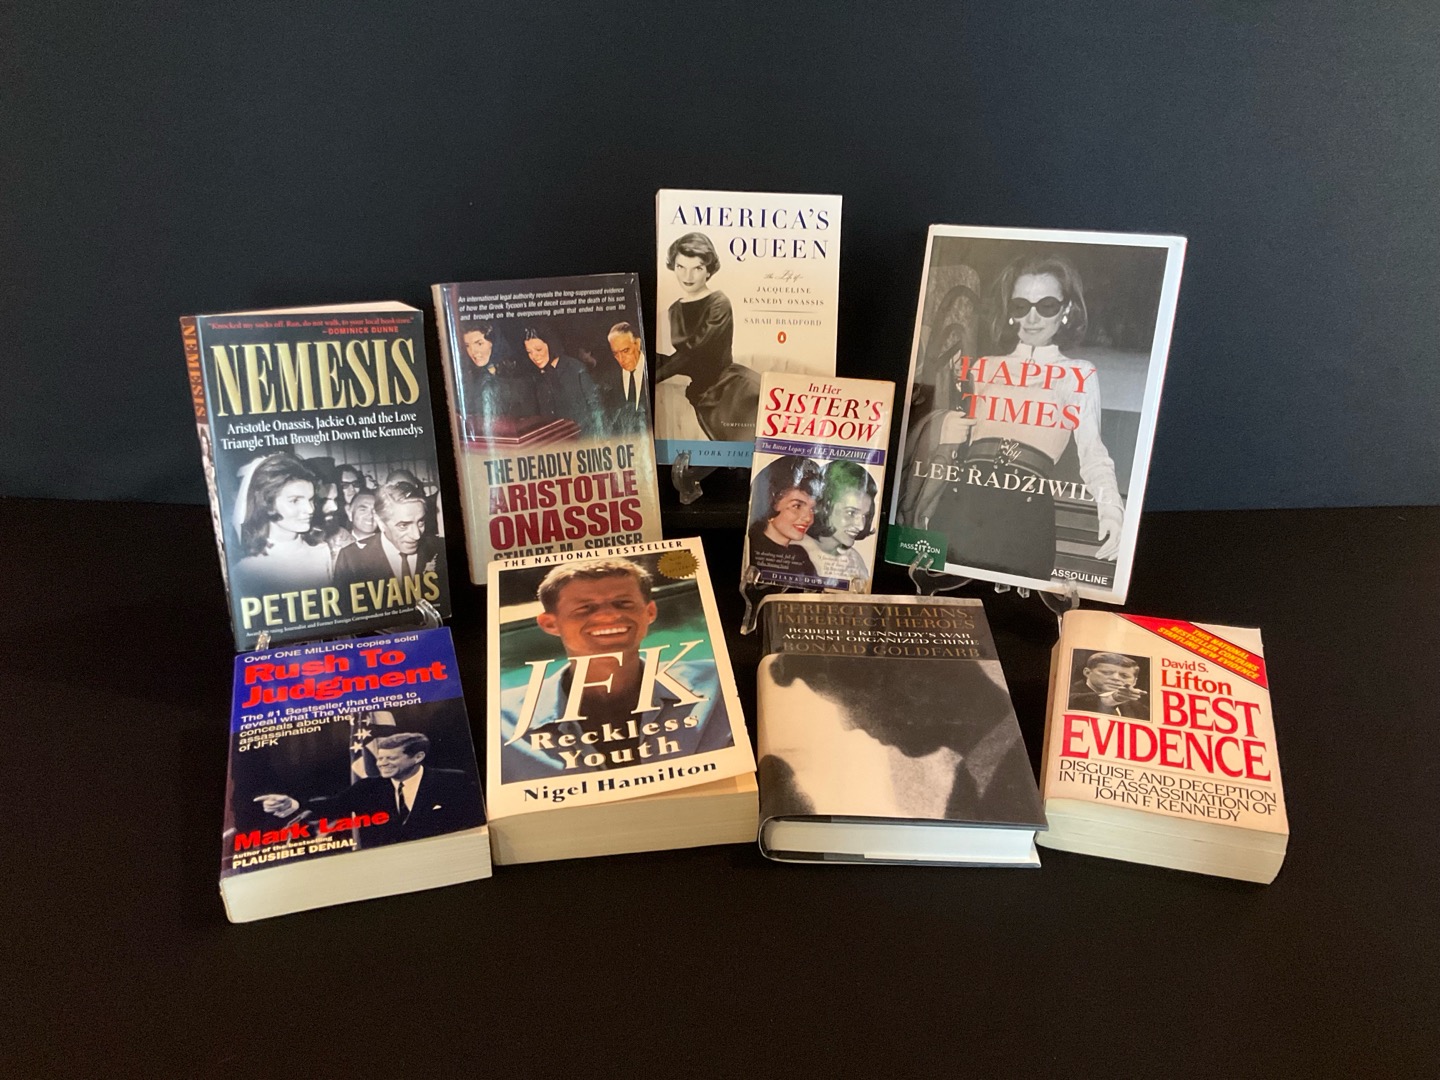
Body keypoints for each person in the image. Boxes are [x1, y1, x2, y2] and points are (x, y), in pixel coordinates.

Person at [907, 252, 1125, 580]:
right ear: (1010, 312)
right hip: (964, 506)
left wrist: (1111, 509)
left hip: (1027, 515)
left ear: (1066, 310)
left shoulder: (1077, 374)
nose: (1032, 318)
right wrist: (945, 427)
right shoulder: (981, 367)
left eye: (1047, 306)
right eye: (1021, 306)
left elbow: (1093, 453)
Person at [499, 558, 734, 781]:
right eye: (585, 608)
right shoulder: (503, 722)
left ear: (650, 612)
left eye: (623, 603)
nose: (609, 615)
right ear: (550, 624)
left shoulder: (719, 683)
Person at [253, 731, 482, 847]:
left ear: (417, 757)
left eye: (391, 758)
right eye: (380, 758)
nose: (382, 764)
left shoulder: (453, 781)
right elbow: (332, 805)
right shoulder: (368, 787)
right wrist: (294, 803)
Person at [654, 231, 760, 442]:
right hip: (702, 394)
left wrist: (654, 376)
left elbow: (693, 352)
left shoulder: (719, 304)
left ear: (709, 270)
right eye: (680, 267)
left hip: (732, 390)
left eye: (697, 268)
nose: (687, 276)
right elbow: (682, 357)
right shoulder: (674, 310)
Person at [232, 453, 332, 596]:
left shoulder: (321, 551)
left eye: (311, 500)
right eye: (295, 501)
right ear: (267, 504)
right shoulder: (247, 569)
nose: (310, 509)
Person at [333, 479, 444, 595]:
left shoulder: (441, 547)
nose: (416, 535)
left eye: (421, 522)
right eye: (403, 525)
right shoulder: (351, 558)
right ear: (381, 523)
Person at [798, 460, 878, 586]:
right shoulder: (793, 551)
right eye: (851, 513)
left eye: (865, 516)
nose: (861, 526)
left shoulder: (854, 560)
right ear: (823, 506)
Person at [746, 455, 822, 578]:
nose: (808, 518)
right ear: (770, 504)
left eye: (812, 509)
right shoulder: (750, 551)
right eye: (797, 506)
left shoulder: (800, 555)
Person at [521, 326, 602, 433]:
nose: (534, 356)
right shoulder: (534, 377)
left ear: (551, 345)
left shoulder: (575, 368)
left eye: (538, 349)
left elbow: (596, 408)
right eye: (529, 352)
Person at [593, 321, 650, 432]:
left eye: (625, 351)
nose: (621, 359)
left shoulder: (659, 368)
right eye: (615, 354)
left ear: (638, 344)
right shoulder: (608, 379)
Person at [1068, 652, 1148, 719]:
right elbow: (1076, 701)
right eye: (1106, 672)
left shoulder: (1139, 709)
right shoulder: (1067, 695)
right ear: (1087, 672)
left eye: (1124, 676)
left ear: (1134, 681)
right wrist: (1113, 698)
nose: (1115, 678)